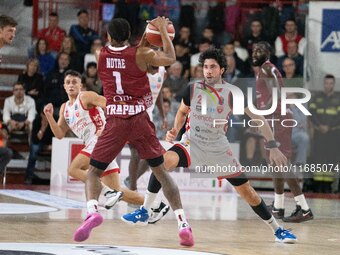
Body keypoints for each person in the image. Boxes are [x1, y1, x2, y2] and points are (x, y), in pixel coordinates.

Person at [123, 48, 297, 243]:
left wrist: (272, 146)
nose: (208, 71)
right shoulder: (193, 88)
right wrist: (174, 130)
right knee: (160, 164)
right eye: (205, 67)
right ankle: (145, 210)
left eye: (213, 67)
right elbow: (182, 111)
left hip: (218, 149)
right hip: (192, 143)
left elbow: (258, 118)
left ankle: (278, 230)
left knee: (248, 192)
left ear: (222, 69)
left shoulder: (232, 92)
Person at [74, 17, 194, 247]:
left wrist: (146, 39)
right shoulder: (141, 55)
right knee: (160, 172)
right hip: (139, 118)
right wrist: (161, 32)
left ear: (108, 37)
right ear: (131, 35)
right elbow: (169, 57)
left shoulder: (101, 55)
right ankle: (183, 223)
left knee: (92, 173)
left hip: (115, 119)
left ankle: (92, 212)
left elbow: (126, 54)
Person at [44, 70, 170, 218]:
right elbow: (59, 134)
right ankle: (157, 205)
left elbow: (111, 104)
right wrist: (49, 116)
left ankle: (108, 193)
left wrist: (106, 126)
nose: (71, 85)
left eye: (74, 82)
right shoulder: (65, 108)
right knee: (120, 192)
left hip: (101, 140)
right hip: (96, 145)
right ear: (64, 86)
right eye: (68, 82)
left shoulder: (86, 96)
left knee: (73, 169)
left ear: (80, 85)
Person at [252, 41, 313, 222]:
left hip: (276, 119)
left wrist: (270, 110)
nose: (256, 52)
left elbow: (277, 90)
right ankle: (278, 207)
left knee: (281, 163)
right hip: (275, 117)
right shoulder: (264, 69)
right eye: (254, 49)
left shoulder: (267, 68)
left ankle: (304, 208)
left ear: (268, 53)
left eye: (260, 49)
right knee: (275, 163)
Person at [125, 65, 167, 192]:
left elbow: (158, 92)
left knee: (153, 155)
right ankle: (133, 189)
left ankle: (130, 180)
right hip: (133, 114)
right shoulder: (139, 67)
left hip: (148, 117)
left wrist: (163, 115)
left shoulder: (162, 70)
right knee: (136, 153)